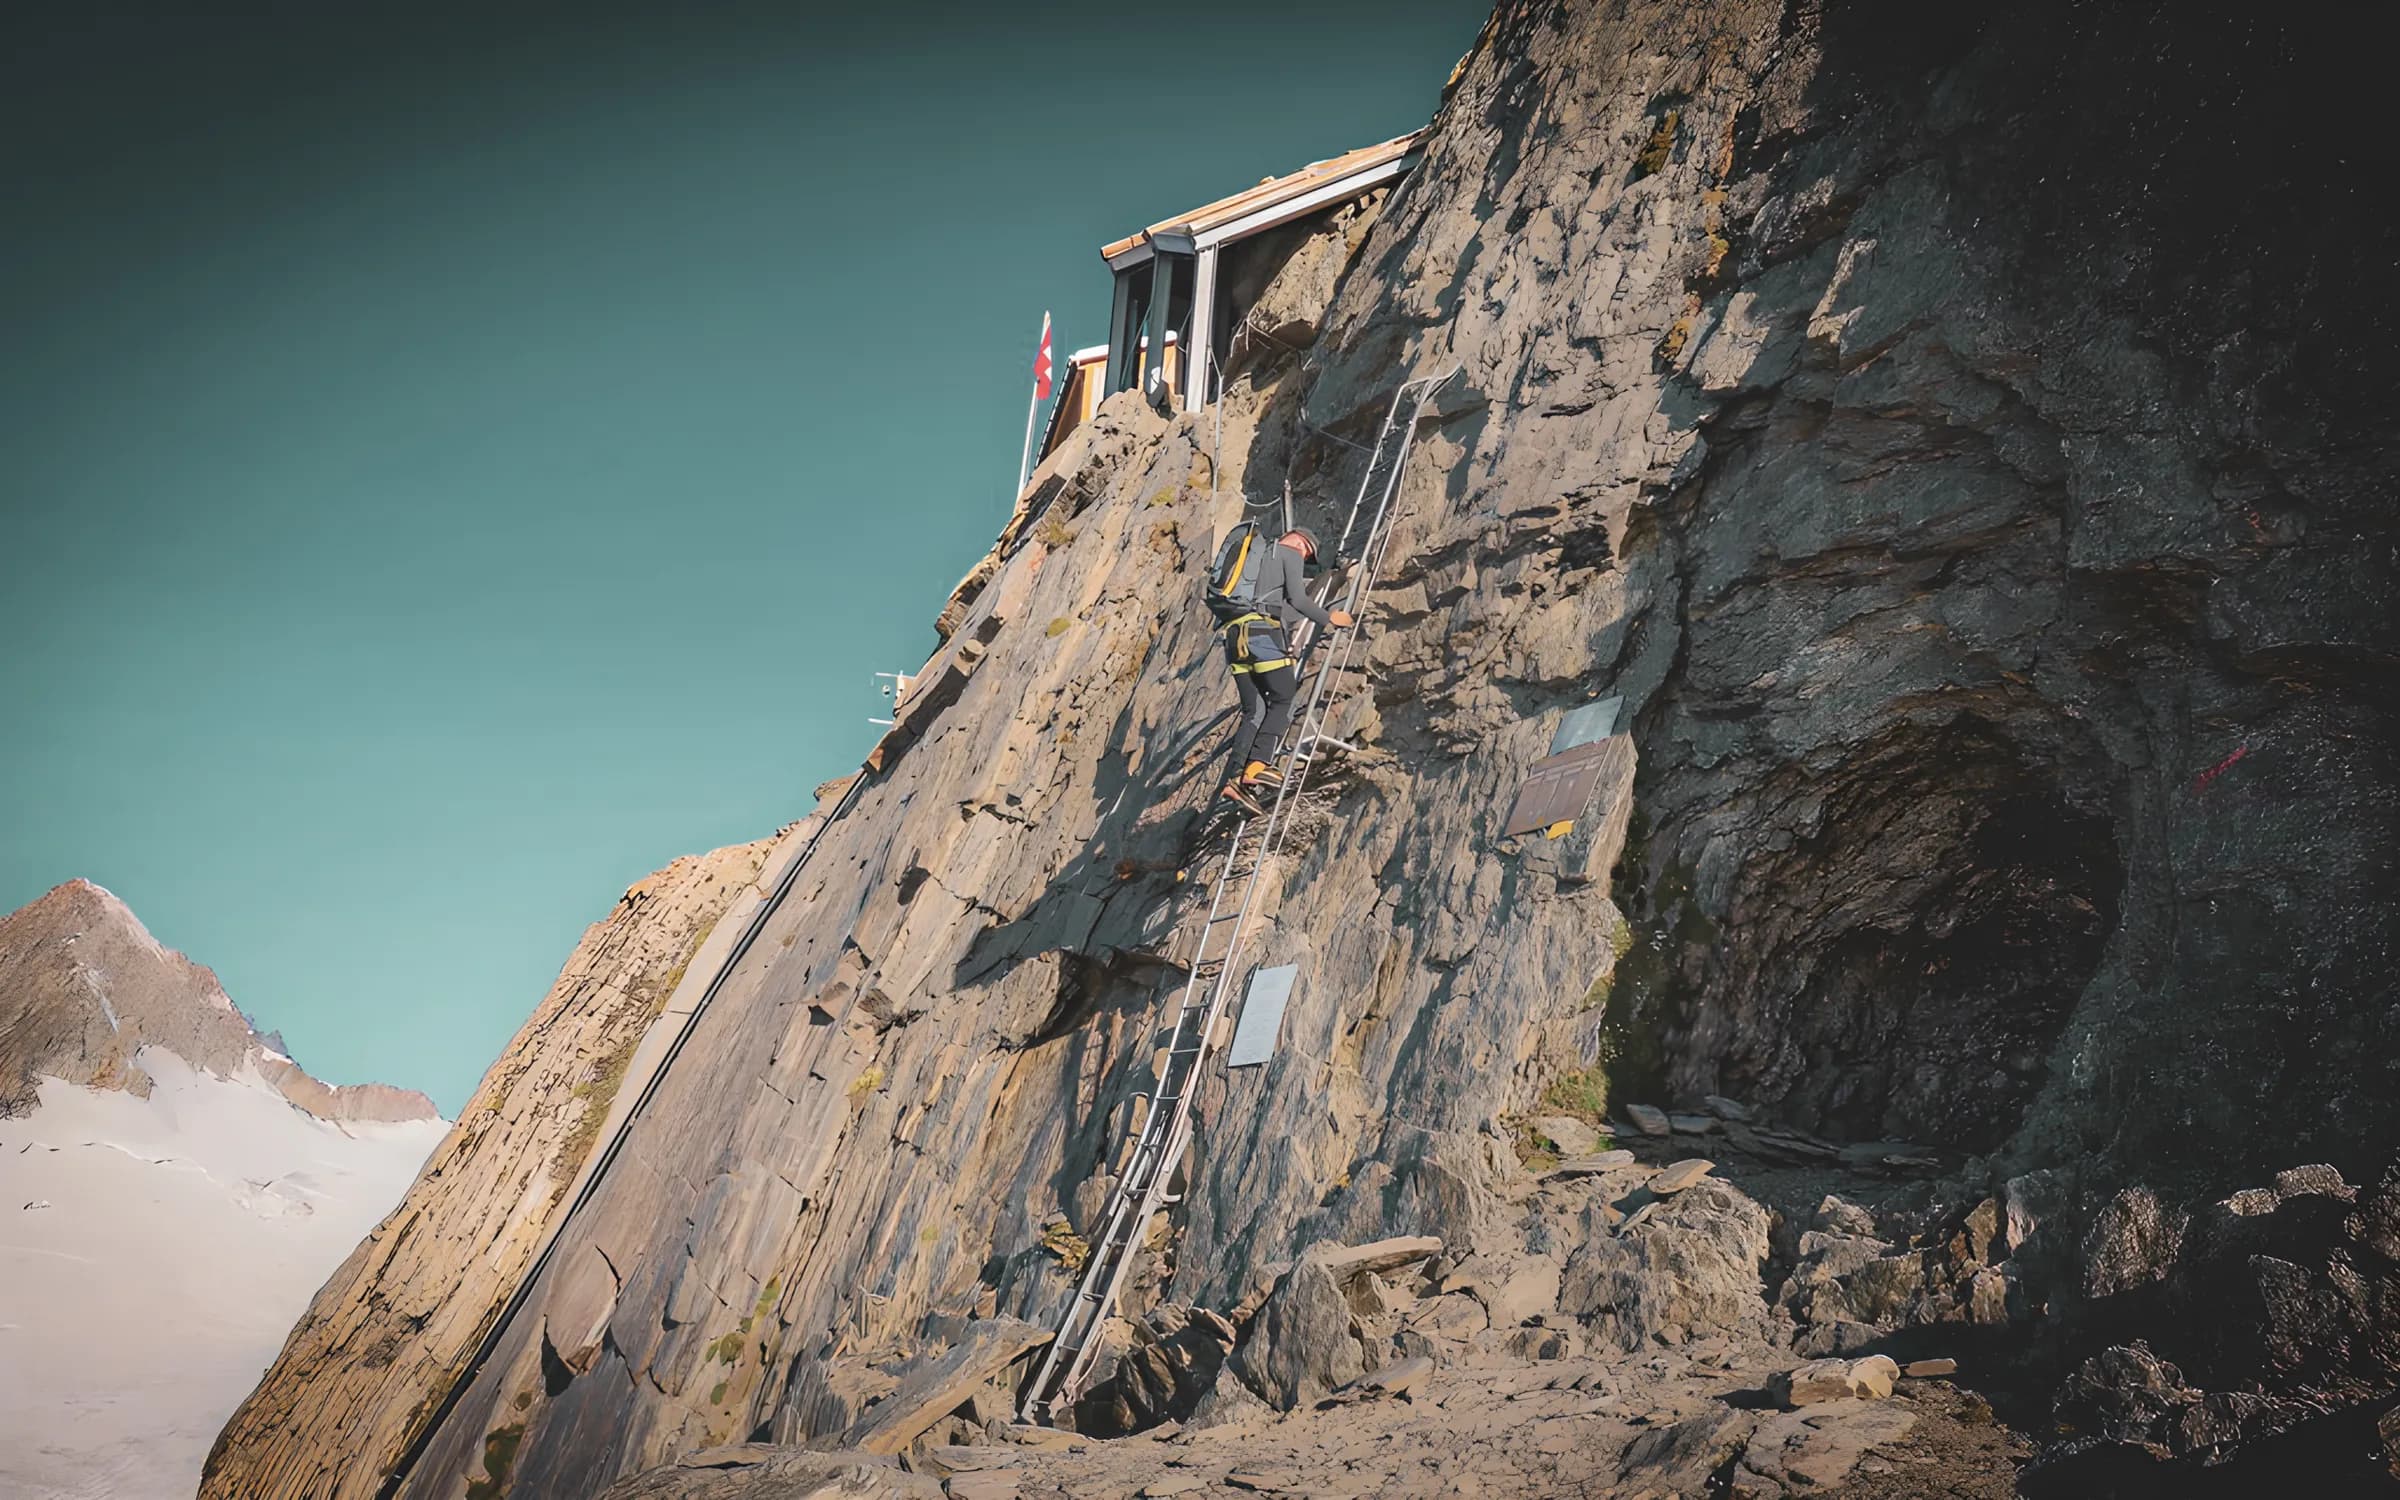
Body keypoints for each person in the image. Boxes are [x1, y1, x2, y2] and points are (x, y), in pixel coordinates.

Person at [1221, 526, 1353, 815]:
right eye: (1307, 552)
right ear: (1300, 540)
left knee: (1254, 710)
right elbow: (1298, 600)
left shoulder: (1255, 560)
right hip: (1261, 636)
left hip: (1233, 637)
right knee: (1284, 698)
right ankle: (1257, 766)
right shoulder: (1289, 553)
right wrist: (1329, 618)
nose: (1303, 557)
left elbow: (1282, 607)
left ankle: (1235, 779)